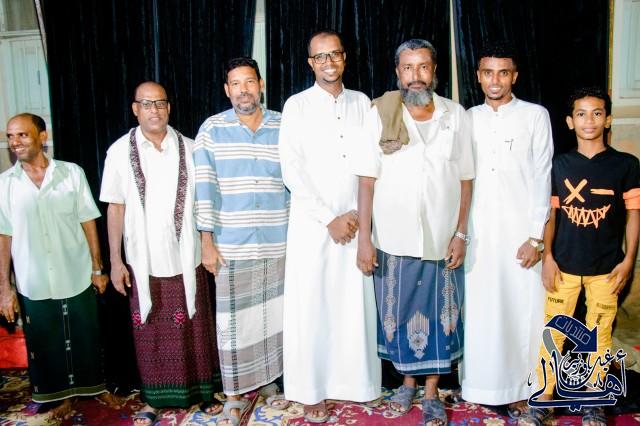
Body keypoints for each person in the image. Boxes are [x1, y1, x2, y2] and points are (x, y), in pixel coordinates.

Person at [355, 39, 474, 426]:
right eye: (408, 68)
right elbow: (367, 181)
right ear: (398, 72)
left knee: (442, 315)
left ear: (434, 70)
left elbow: (466, 179)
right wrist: (364, 238)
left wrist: (460, 233)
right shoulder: (381, 113)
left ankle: (432, 393)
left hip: (442, 237)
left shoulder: (455, 115)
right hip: (394, 237)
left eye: (423, 66)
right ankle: (407, 383)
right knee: (400, 313)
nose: (416, 75)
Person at [100, 82, 221, 425]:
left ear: (169, 107)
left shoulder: (192, 148)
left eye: (160, 103)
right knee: (149, 333)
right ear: (135, 109)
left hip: (187, 257)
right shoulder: (118, 152)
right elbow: (115, 208)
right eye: (147, 104)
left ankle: (203, 393)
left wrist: (208, 244)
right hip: (144, 262)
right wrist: (115, 261)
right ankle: (153, 400)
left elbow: (205, 203)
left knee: (195, 329)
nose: (154, 110)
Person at [519, 87, 640, 426]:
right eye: (582, 114)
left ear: (608, 119)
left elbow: (634, 215)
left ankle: (593, 401)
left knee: (599, 334)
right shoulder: (559, 165)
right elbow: (551, 215)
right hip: (564, 266)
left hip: (607, 268)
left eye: (597, 113)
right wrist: (547, 257)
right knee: (553, 333)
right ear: (570, 121)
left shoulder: (626, 165)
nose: (590, 120)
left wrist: (628, 260)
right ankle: (544, 399)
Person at [280, 30, 381, 423]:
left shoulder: (363, 103)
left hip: (356, 221)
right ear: (311, 63)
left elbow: (370, 163)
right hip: (312, 224)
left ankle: (355, 384)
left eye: (334, 54)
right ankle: (310, 390)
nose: (328, 62)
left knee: (352, 305)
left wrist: (356, 215)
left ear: (344, 58)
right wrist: (329, 219)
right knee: (312, 306)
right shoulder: (297, 106)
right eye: (320, 57)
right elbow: (292, 171)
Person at [0, 113, 121, 420]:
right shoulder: (5, 184)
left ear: (42, 137)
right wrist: (5, 287)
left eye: (22, 135)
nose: (15, 142)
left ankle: (95, 388)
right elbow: (4, 236)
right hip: (33, 278)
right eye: (10, 136)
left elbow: (88, 221)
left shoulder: (71, 173)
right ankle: (60, 398)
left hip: (75, 270)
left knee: (86, 334)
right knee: (45, 342)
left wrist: (98, 268)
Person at [193, 57, 290, 426]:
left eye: (249, 82)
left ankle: (267, 382)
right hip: (232, 244)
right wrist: (206, 242)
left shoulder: (283, 125)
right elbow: (205, 189)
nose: (243, 90)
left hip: (278, 240)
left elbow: (294, 183)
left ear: (260, 85)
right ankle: (234, 394)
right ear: (226, 90)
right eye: (236, 84)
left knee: (273, 319)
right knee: (234, 324)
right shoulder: (212, 129)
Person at [461, 42, 554, 416]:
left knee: (522, 311)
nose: (495, 80)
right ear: (479, 76)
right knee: (482, 311)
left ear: (514, 76)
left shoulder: (535, 115)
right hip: (479, 233)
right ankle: (481, 385)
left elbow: (542, 176)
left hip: (521, 235)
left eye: (503, 73)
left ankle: (523, 387)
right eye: (488, 73)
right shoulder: (467, 118)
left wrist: (536, 237)